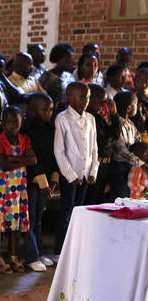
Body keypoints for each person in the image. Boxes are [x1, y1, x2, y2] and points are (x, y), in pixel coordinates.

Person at [0, 106, 36, 274]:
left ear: (21, 122)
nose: (12, 125)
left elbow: (33, 160)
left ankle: (13, 257)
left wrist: (13, 158)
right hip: (3, 186)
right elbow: (4, 165)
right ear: (3, 123)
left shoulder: (24, 139)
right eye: (8, 122)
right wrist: (21, 160)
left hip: (19, 187)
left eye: (16, 122)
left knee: (16, 223)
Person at [53, 82, 98, 260]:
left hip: (86, 174)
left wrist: (93, 170)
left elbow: (94, 147)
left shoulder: (90, 118)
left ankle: (76, 249)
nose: (86, 100)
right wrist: (70, 175)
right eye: (82, 97)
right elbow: (59, 150)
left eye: (88, 97)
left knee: (79, 212)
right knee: (66, 211)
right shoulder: (62, 118)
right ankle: (60, 251)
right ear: (70, 99)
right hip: (69, 175)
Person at [23, 93, 57, 270]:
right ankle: (31, 256)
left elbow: (53, 156)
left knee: (38, 219)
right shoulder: (27, 130)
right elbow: (33, 158)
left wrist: (53, 180)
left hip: (46, 183)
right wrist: (44, 184)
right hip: (31, 180)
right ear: (32, 111)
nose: (48, 113)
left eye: (51, 109)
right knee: (29, 219)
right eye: (44, 110)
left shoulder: (50, 130)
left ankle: (39, 253)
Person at [84, 85, 119, 204]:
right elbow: (104, 141)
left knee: (98, 200)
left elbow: (115, 135)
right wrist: (111, 137)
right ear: (90, 99)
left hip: (105, 165)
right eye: (101, 100)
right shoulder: (88, 118)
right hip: (95, 166)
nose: (103, 104)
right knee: (90, 200)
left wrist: (114, 114)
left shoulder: (99, 117)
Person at [111, 91, 144, 199]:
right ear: (129, 108)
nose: (137, 107)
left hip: (131, 165)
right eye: (136, 103)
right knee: (121, 197)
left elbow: (138, 141)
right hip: (119, 166)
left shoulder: (130, 124)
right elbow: (120, 150)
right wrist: (141, 164)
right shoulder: (117, 125)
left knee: (130, 196)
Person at [39, 43, 76, 112]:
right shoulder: (47, 77)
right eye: (67, 61)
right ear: (58, 59)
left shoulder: (70, 76)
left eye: (71, 61)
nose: (70, 64)